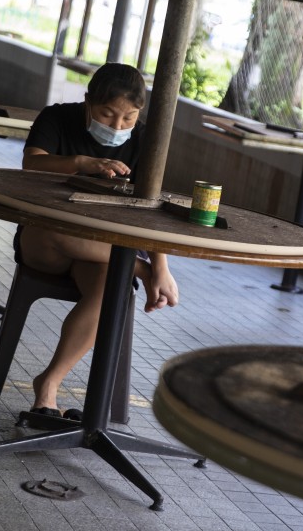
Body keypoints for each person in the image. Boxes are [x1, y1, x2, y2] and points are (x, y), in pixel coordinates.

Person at [15, 62, 180, 418]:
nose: (117, 126)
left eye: (129, 118)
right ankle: (136, 265)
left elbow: (154, 208)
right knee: (58, 230)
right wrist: (80, 163)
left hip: (99, 254)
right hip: (46, 242)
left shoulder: (144, 141)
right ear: (88, 101)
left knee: (113, 290)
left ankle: (48, 386)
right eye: (107, 114)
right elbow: (31, 165)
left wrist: (162, 266)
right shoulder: (58, 119)